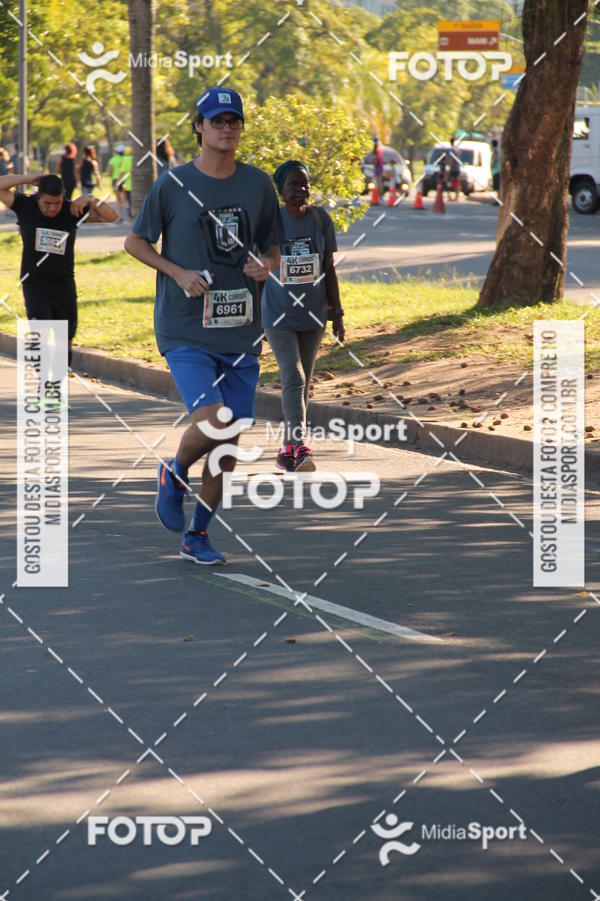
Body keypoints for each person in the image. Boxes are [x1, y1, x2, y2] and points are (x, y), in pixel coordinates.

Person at [124, 87, 283, 566]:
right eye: (217, 121)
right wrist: (177, 272)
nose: (227, 129)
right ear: (198, 126)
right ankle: (173, 473)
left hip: (239, 330)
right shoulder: (172, 185)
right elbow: (135, 242)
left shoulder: (258, 185)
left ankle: (197, 535)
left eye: (234, 121)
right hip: (184, 326)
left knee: (227, 446)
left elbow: (273, 247)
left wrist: (266, 265)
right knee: (215, 421)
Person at [261, 160, 344, 473]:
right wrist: (256, 317)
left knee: (303, 383)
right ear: (281, 190)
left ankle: (286, 451)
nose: (301, 190)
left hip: (314, 314)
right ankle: (300, 445)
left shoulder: (320, 219)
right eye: (294, 184)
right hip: (277, 314)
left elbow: (329, 268)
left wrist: (337, 312)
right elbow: (259, 273)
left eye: (305, 184)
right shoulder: (270, 222)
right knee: (293, 377)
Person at [0, 171, 118, 364]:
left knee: (64, 342)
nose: (53, 208)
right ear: (37, 197)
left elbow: (112, 216)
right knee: (41, 337)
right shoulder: (25, 205)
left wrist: (90, 198)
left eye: (57, 202)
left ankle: (55, 385)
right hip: (34, 284)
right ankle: (43, 385)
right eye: (47, 203)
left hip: (63, 284)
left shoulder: (71, 210)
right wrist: (28, 178)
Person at [107, 144, 132, 220]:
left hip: (116, 179)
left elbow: (109, 170)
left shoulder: (113, 159)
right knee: (126, 199)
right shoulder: (128, 158)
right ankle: (129, 213)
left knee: (118, 200)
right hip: (126, 180)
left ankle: (120, 216)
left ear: (117, 152)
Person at [447, 137, 461, 202]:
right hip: (457, 168)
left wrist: (450, 168)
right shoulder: (457, 150)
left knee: (449, 182)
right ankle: (457, 197)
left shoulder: (452, 150)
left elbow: (452, 159)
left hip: (453, 169)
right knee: (457, 183)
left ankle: (449, 196)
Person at [373, 136, 384, 202]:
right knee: (379, 182)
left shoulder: (376, 150)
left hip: (377, 167)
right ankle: (380, 196)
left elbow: (375, 160)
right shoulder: (380, 149)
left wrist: (374, 168)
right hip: (380, 167)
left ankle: (379, 197)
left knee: (378, 183)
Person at [491, 138, 501, 206]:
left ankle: (499, 200)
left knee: (498, 187)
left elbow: (495, 159)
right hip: (496, 170)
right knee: (497, 187)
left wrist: (492, 165)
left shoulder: (495, 151)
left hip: (496, 170)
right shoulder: (497, 151)